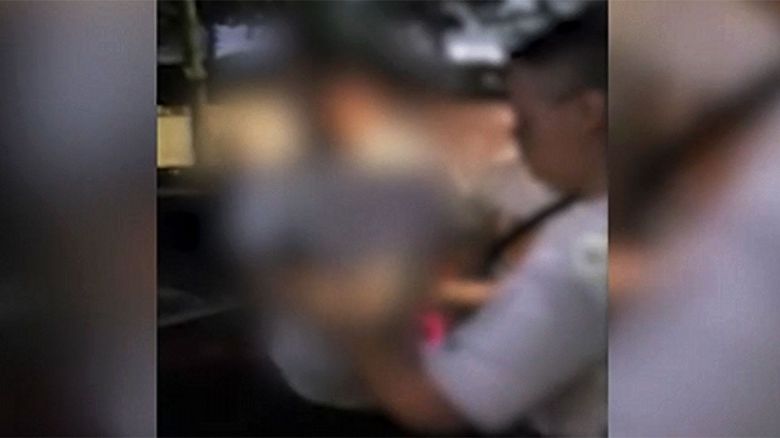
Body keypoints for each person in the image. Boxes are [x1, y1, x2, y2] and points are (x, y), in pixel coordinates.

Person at [297, 3, 608, 436]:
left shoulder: (579, 247)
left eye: (526, 122)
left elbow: (439, 405)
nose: (517, 136)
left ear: (588, 113)